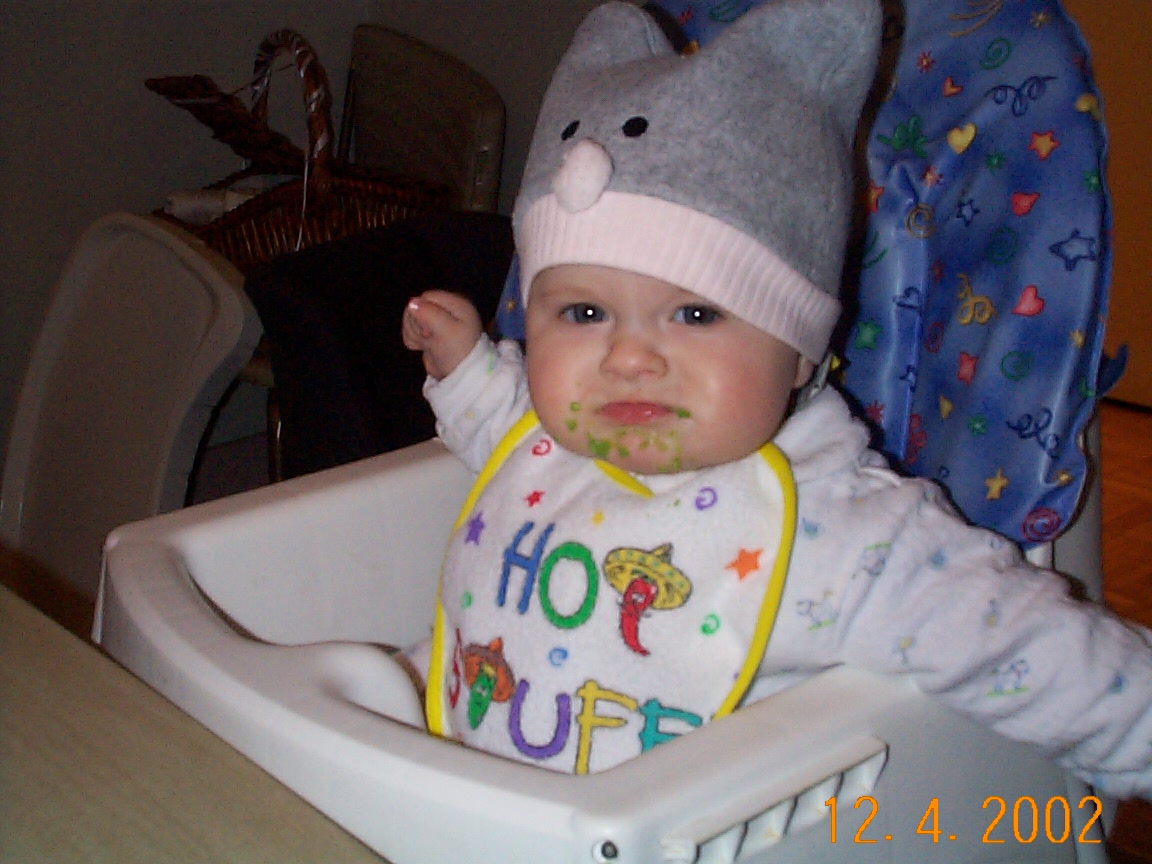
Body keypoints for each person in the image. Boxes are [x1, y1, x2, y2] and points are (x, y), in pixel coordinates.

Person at [401, 0, 1152, 795]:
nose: (627, 357)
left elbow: (1026, 649)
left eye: (696, 314)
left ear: (799, 355)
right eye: (583, 314)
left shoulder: (840, 533)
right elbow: (507, 429)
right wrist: (465, 368)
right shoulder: (552, 440)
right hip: (455, 783)